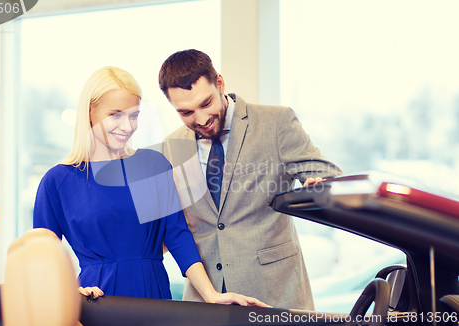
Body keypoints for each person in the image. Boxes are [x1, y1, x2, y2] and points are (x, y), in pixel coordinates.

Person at [33, 66, 270, 307]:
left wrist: (211, 295)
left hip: (154, 297)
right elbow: (43, 259)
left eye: (133, 115)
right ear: (90, 112)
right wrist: (75, 291)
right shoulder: (57, 181)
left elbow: (177, 234)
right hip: (94, 303)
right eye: (116, 115)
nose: (127, 126)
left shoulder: (153, 165)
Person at [159, 49, 343, 309]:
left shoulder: (275, 122)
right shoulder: (171, 145)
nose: (201, 120)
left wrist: (321, 184)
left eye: (206, 103)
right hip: (205, 303)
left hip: (273, 295)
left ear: (220, 84)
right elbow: (167, 232)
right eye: (186, 112)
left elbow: (325, 173)